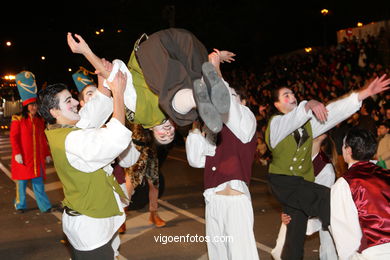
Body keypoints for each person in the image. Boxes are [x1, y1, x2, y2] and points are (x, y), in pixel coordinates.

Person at [264, 74, 390, 259]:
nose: (291, 96)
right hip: (283, 182)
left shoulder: (307, 125)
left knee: (294, 235)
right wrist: (308, 104)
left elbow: (333, 112)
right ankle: (358, 250)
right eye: (285, 95)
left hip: (299, 185)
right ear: (277, 105)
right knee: (329, 201)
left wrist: (362, 94)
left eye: (292, 93)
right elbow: (292, 120)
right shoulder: (276, 124)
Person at [37, 71, 138, 259]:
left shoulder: (60, 128)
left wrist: (102, 80)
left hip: (87, 220)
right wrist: (118, 94)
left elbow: (93, 112)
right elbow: (114, 139)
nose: (76, 103)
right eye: (68, 101)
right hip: (90, 227)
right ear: (55, 112)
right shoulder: (72, 139)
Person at [66, 29, 235, 139]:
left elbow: (113, 77)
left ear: (152, 131)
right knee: (191, 87)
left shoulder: (140, 114)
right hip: (181, 42)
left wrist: (85, 51)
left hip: (153, 54)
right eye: (170, 135)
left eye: (163, 136)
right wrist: (217, 57)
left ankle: (199, 97)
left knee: (178, 109)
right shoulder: (166, 106)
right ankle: (205, 93)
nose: (167, 133)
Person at [186, 52, 259, 260]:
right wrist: (195, 122)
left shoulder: (246, 119)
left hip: (235, 201)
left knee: (241, 255)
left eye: (234, 95)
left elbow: (227, 106)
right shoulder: (212, 128)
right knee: (217, 255)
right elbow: (195, 159)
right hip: (212, 200)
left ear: (243, 101)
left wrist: (215, 68)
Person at [271, 134, 338, 260]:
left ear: (321, 137)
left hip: (318, 211)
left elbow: (321, 201)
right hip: (298, 208)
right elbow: (288, 187)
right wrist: (286, 211)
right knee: (279, 252)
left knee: (329, 251)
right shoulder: (297, 159)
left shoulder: (325, 168)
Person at [330, 127, 390, 259]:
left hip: (373, 252)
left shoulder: (344, 184)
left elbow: (345, 232)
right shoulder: (386, 174)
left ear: (348, 150)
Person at [10, 71, 52, 213]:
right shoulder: (18, 119)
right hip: (23, 158)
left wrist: (46, 154)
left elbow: (42, 139)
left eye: (35, 105)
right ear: (26, 106)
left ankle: (45, 206)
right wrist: (17, 153)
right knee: (21, 184)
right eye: (31, 105)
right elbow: (14, 137)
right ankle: (20, 205)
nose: (34, 107)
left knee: (38, 184)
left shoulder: (40, 121)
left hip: (37, 159)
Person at [123, 123, 166, 227]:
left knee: (154, 185)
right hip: (135, 149)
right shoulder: (131, 108)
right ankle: (121, 218)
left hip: (151, 148)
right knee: (130, 184)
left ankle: (154, 214)